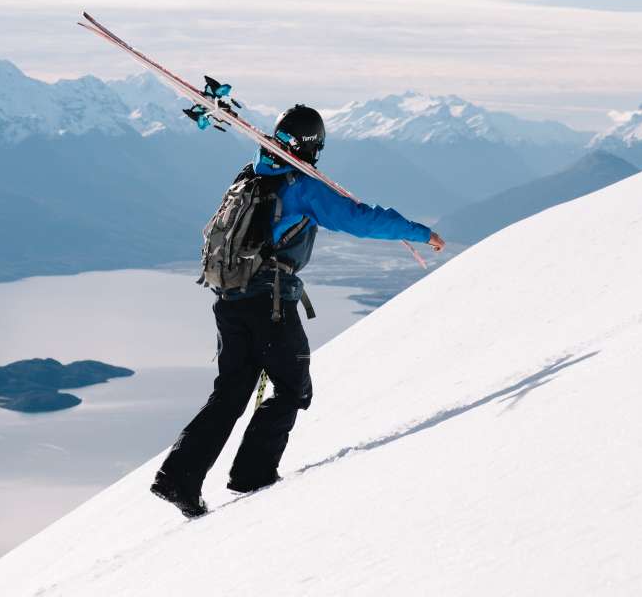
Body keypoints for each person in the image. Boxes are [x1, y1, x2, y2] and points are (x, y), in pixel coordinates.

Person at [150, 104, 445, 518]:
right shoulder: (302, 187)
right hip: (269, 302)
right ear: (312, 146)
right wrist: (420, 232)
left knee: (230, 393)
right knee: (293, 388)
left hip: (228, 299)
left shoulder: (250, 172)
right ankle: (252, 474)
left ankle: (179, 476)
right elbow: (360, 220)